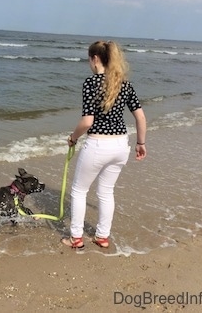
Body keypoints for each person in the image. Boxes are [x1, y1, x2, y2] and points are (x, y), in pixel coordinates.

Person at [61, 40, 147, 249]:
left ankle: (76, 238)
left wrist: (73, 138)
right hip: (120, 146)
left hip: (98, 145)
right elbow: (141, 117)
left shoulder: (91, 83)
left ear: (95, 58)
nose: (89, 63)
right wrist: (141, 143)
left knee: (79, 191)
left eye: (89, 59)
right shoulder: (124, 84)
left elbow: (87, 121)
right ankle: (102, 236)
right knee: (106, 192)